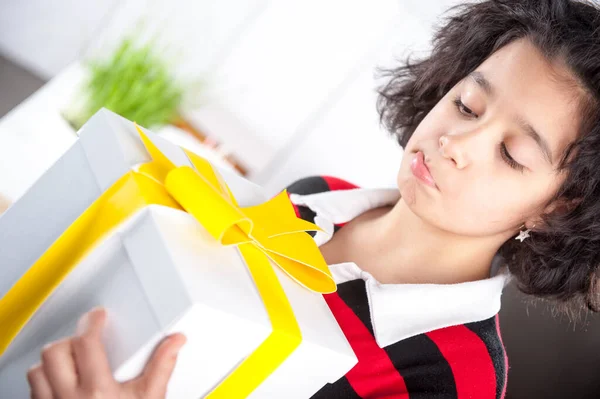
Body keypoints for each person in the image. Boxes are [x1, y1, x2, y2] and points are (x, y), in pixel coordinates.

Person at [26, 0, 600, 398]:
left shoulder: (454, 378)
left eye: (512, 153)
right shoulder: (317, 199)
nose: (455, 142)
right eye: (468, 105)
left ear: (559, 207)